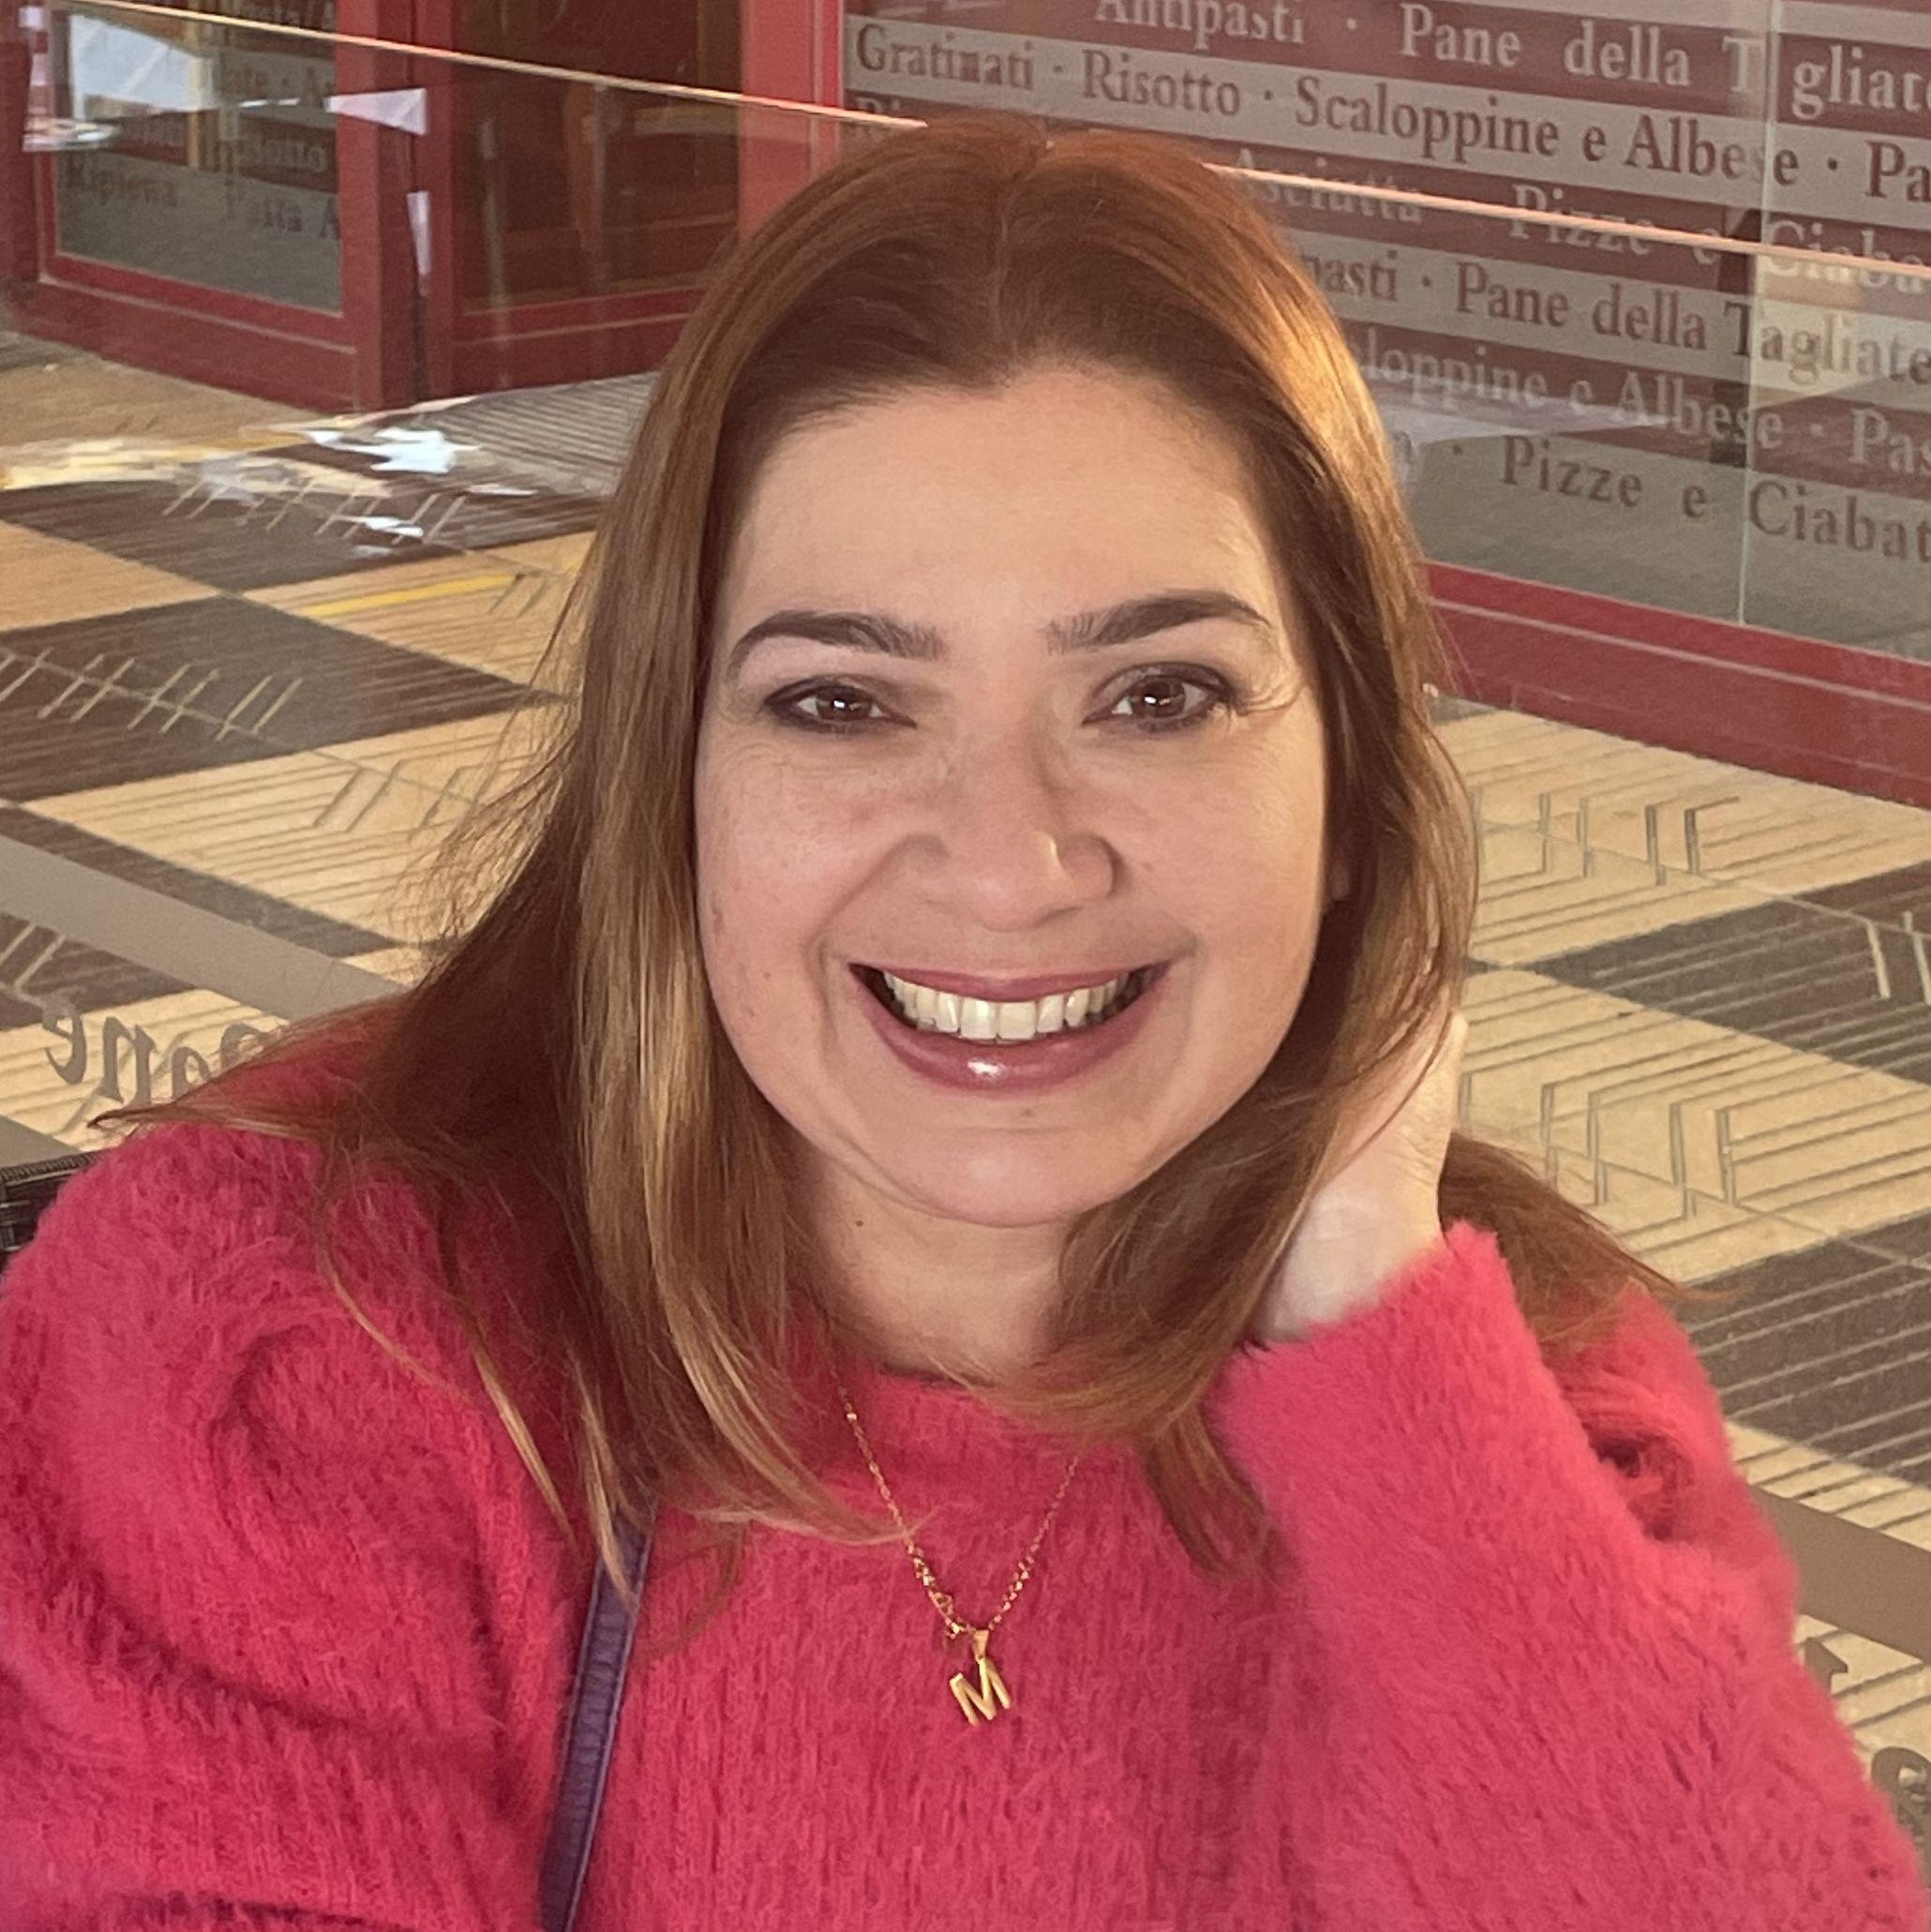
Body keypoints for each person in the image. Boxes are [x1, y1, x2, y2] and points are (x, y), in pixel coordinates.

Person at [0, 113, 1923, 1932]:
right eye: (842, 702)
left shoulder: (1530, 1403)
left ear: (1350, 791)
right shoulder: (288, 1317)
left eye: (1158, 695)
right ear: (669, 782)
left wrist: (1378, 1343)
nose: (1008, 865)